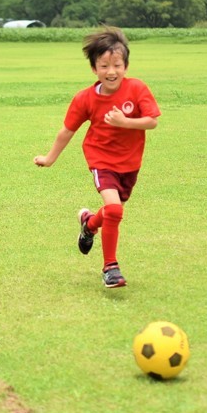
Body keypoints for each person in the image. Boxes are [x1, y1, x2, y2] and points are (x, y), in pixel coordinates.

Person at [34, 26, 160, 288]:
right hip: (101, 159)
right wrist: (49, 158)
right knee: (114, 209)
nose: (111, 71)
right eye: (104, 66)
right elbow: (67, 131)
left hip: (130, 162)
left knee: (113, 211)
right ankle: (110, 268)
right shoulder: (84, 99)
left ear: (125, 66)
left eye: (116, 65)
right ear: (94, 69)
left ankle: (89, 224)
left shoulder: (137, 89)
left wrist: (125, 122)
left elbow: (151, 122)